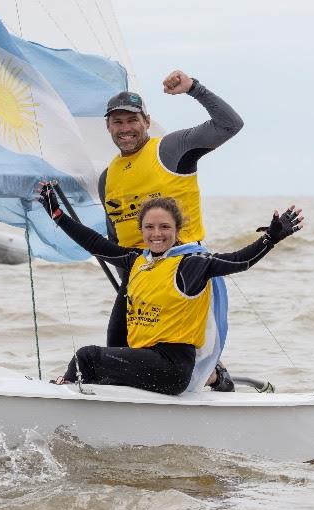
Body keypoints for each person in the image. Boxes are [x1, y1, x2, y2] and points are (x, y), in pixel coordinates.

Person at [38, 185, 302, 395]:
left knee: (86, 358)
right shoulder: (137, 261)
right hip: (146, 360)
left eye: (164, 227)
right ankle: (217, 378)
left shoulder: (191, 265)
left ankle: (60, 396)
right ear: (141, 230)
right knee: (100, 376)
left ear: (177, 231)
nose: (156, 234)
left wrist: (270, 239)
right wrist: (57, 214)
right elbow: (93, 242)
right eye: (149, 227)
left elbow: (238, 260)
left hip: (171, 367)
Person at [99, 70, 244, 390]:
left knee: (182, 359)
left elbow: (230, 125)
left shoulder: (171, 150)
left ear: (147, 121)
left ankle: (216, 377)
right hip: (138, 276)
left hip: (183, 271)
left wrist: (194, 88)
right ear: (107, 126)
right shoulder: (107, 177)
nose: (125, 129)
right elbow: (114, 237)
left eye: (132, 120)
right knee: (116, 350)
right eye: (117, 122)